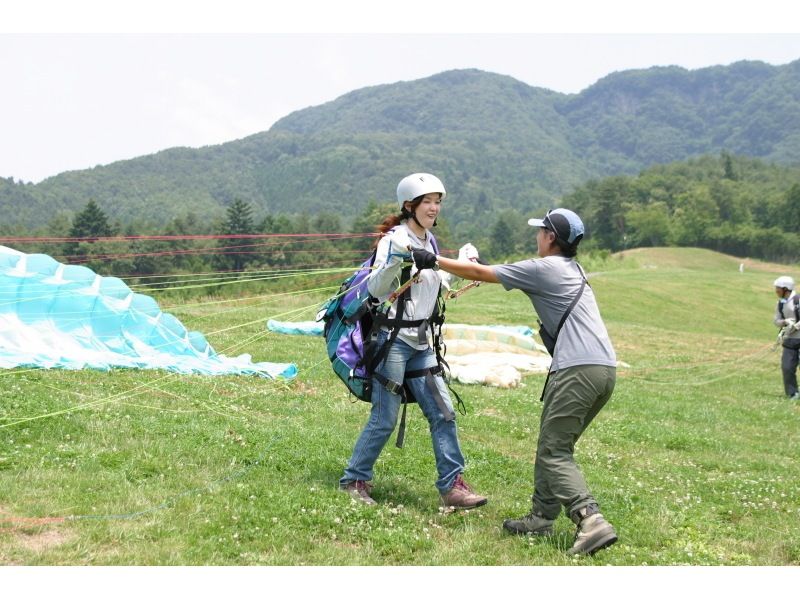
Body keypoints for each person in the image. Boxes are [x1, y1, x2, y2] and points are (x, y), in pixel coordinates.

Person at [409, 207, 618, 556]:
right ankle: (541, 516)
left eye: (541, 231)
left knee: (555, 451)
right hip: (602, 370)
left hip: (577, 370)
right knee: (554, 446)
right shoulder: (572, 269)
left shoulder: (545, 267)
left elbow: (479, 272)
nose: (537, 236)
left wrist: (434, 260)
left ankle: (590, 519)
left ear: (551, 237)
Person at [339, 173, 487, 510]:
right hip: (392, 341)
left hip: (421, 343)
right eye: (427, 202)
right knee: (385, 418)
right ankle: (354, 479)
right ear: (410, 205)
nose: (434, 208)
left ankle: (453, 486)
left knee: (443, 412)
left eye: (437, 202)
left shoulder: (430, 241)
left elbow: (436, 281)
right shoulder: (394, 240)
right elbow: (376, 290)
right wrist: (396, 261)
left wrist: (465, 264)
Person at [773, 275, 800, 400]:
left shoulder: (797, 300)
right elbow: (776, 320)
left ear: (786, 289)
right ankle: (792, 393)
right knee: (787, 367)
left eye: (778, 289)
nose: (776, 291)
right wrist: (785, 322)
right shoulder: (780, 303)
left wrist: (795, 326)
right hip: (789, 340)